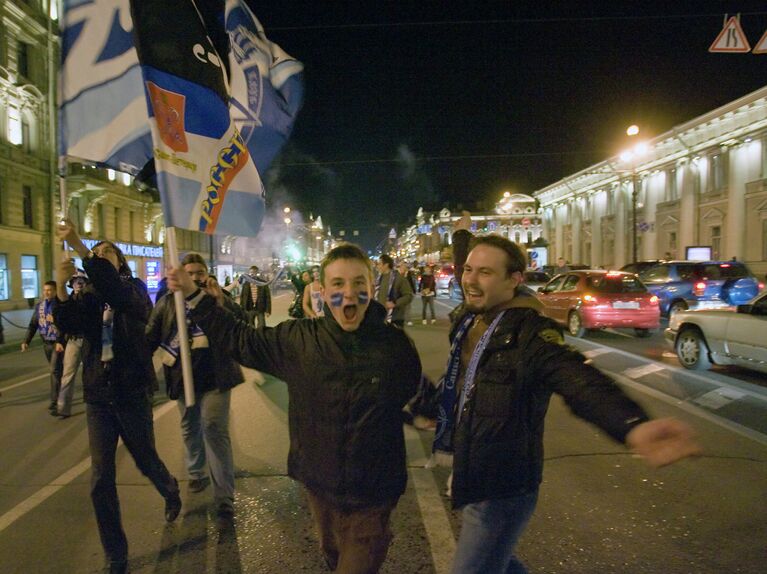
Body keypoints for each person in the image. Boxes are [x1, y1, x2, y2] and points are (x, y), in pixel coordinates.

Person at [436, 214, 700, 574]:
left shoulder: (531, 332)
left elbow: (576, 377)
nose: (470, 279)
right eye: (468, 270)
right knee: (497, 562)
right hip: (473, 470)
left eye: (485, 273)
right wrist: (462, 237)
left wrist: (632, 425)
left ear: (515, 279)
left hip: (503, 486)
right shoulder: (470, 318)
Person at [167, 243, 421, 574]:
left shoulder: (396, 346)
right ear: (323, 289)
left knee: (357, 557)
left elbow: (412, 394)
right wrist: (194, 296)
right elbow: (241, 339)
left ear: (372, 288)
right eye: (338, 284)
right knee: (331, 552)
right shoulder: (299, 340)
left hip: (373, 492)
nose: (349, 294)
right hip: (319, 483)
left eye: (360, 283)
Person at [53, 221, 181, 574]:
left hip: (131, 391)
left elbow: (114, 289)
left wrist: (81, 247)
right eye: (97, 253)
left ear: (119, 263)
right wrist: (61, 290)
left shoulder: (135, 289)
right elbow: (69, 323)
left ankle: (170, 488)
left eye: (106, 252)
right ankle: (116, 553)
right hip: (98, 396)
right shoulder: (89, 297)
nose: (98, 257)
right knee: (100, 479)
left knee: (145, 459)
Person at [146, 253, 242, 520]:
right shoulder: (166, 303)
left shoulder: (215, 297)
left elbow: (239, 324)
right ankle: (196, 471)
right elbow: (150, 337)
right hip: (182, 378)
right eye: (190, 272)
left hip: (216, 377)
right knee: (190, 426)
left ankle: (224, 496)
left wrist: (221, 302)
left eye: (200, 272)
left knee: (214, 428)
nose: (196, 277)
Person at [22, 280, 64, 415]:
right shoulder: (40, 306)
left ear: (56, 291)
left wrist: (60, 339)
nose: (47, 292)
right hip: (46, 343)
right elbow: (33, 324)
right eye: (45, 290)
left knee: (54, 371)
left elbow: (66, 325)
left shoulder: (61, 304)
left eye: (50, 290)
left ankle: (55, 401)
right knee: (57, 372)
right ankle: (62, 393)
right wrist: (26, 341)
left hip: (58, 343)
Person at [56, 269, 90, 418]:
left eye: (81, 281)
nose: (78, 284)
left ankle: (94, 405)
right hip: (73, 341)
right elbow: (62, 322)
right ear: (72, 284)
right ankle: (62, 407)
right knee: (67, 374)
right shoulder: (67, 300)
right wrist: (59, 341)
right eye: (75, 281)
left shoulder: (91, 299)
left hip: (89, 340)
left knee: (91, 374)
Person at [374, 254, 413, 328]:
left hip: (395, 317)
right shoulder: (378, 279)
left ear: (386, 265)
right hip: (380, 317)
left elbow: (409, 295)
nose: (377, 266)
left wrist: (395, 303)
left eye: (379, 264)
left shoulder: (398, 278)